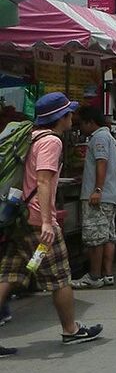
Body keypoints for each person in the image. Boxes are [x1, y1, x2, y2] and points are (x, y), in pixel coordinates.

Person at [0, 92, 103, 350]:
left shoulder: (30, 136)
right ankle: (71, 329)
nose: (73, 118)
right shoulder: (51, 142)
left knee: (9, 275)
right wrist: (48, 221)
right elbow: (43, 180)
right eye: (69, 113)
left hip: (21, 217)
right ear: (61, 117)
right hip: (37, 220)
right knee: (60, 278)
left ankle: (71, 328)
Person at [70, 107, 116, 289]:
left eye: (82, 124)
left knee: (95, 238)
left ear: (90, 122)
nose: (80, 128)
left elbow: (102, 162)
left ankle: (94, 275)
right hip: (111, 194)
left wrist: (97, 189)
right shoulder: (109, 137)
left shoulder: (99, 138)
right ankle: (107, 274)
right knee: (108, 236)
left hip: (101, 196)